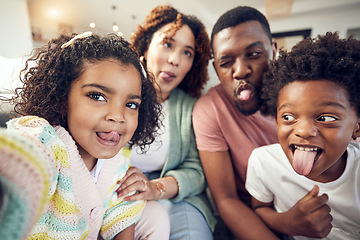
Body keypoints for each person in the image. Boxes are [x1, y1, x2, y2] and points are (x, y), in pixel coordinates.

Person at [0, 32, 163, 239]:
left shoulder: (118, 165)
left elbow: (122, 221)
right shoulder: (47, 142)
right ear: (62, 97)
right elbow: (25, 159)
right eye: (97, 96)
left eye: (131, 104)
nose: (117, 116)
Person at [115, 5, 216, 240]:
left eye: (187, 53)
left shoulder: (191, 106)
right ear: (147, 45)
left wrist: (155, 188)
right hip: (113, 189)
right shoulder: (116, 91)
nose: (174, 60)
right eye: (168, 44)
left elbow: (196, 171)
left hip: (172, 192)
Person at [246, 32, 360, 239]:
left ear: (357, 127)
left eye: (325, 118)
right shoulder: (263, 162)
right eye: (288, 116)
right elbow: (259, 209)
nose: (303, 131)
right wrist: (286, 223)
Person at [192, 6, 279, 239]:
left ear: (274, 51)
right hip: (251, 217)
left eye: (253, 54)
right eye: (226, 62)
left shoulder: (301, 93)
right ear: (216, 69)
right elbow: (226, 199)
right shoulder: (209, 109)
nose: (240, 71)